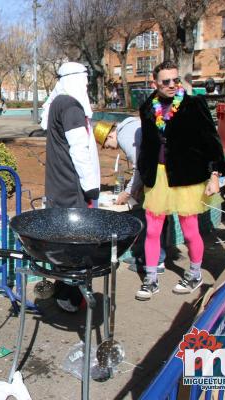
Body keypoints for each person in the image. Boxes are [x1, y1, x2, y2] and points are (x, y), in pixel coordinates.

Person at [135, 60, 225, 301]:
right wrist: (141, 178)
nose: (172, 85)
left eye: (175, 80)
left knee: (189, 230)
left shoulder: (193, 104)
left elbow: (211, 140)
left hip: (187, 176)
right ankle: (151, 277)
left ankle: (195, 273)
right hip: (158, 177)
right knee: (153, 231)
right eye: (166, 81)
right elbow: (146, 146)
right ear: (155, 83)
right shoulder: (147, 107)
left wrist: (215, 173)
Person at [41, 61, 100, 313]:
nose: (87, 87)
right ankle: (71, 297)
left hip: (58, 186)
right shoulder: (71, 107)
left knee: (63, 243)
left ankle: (63, 292)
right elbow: (80, 151)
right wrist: (91, 187)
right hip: (71, 187)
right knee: (76, 247)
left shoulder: (57, 103)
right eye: (85, 82)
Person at [94, 118, 166, 274]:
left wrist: (127, 192)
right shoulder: (127, 128)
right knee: (147, 217)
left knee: (155, 218)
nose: (109, 149)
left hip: (160, 175)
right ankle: (144, 255)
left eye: (106, 145)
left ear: (110, 136)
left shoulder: (124, 137)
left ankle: (157, 260)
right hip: (156, 173)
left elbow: (139, 166)